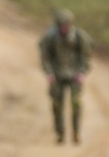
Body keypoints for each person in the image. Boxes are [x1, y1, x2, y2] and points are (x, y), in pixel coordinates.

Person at [39, 9, 93, 145]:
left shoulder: (79, 37)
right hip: (57, 74)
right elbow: (45, 57)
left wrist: (82, 72)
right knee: (57, 105)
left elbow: (86, 57)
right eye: (62, 25)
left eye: (67, 25)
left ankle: (76, 133)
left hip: (75, 75)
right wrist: (49, 73)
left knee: (76, 104)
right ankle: (60, 134)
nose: (64, 28)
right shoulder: (50, 37)